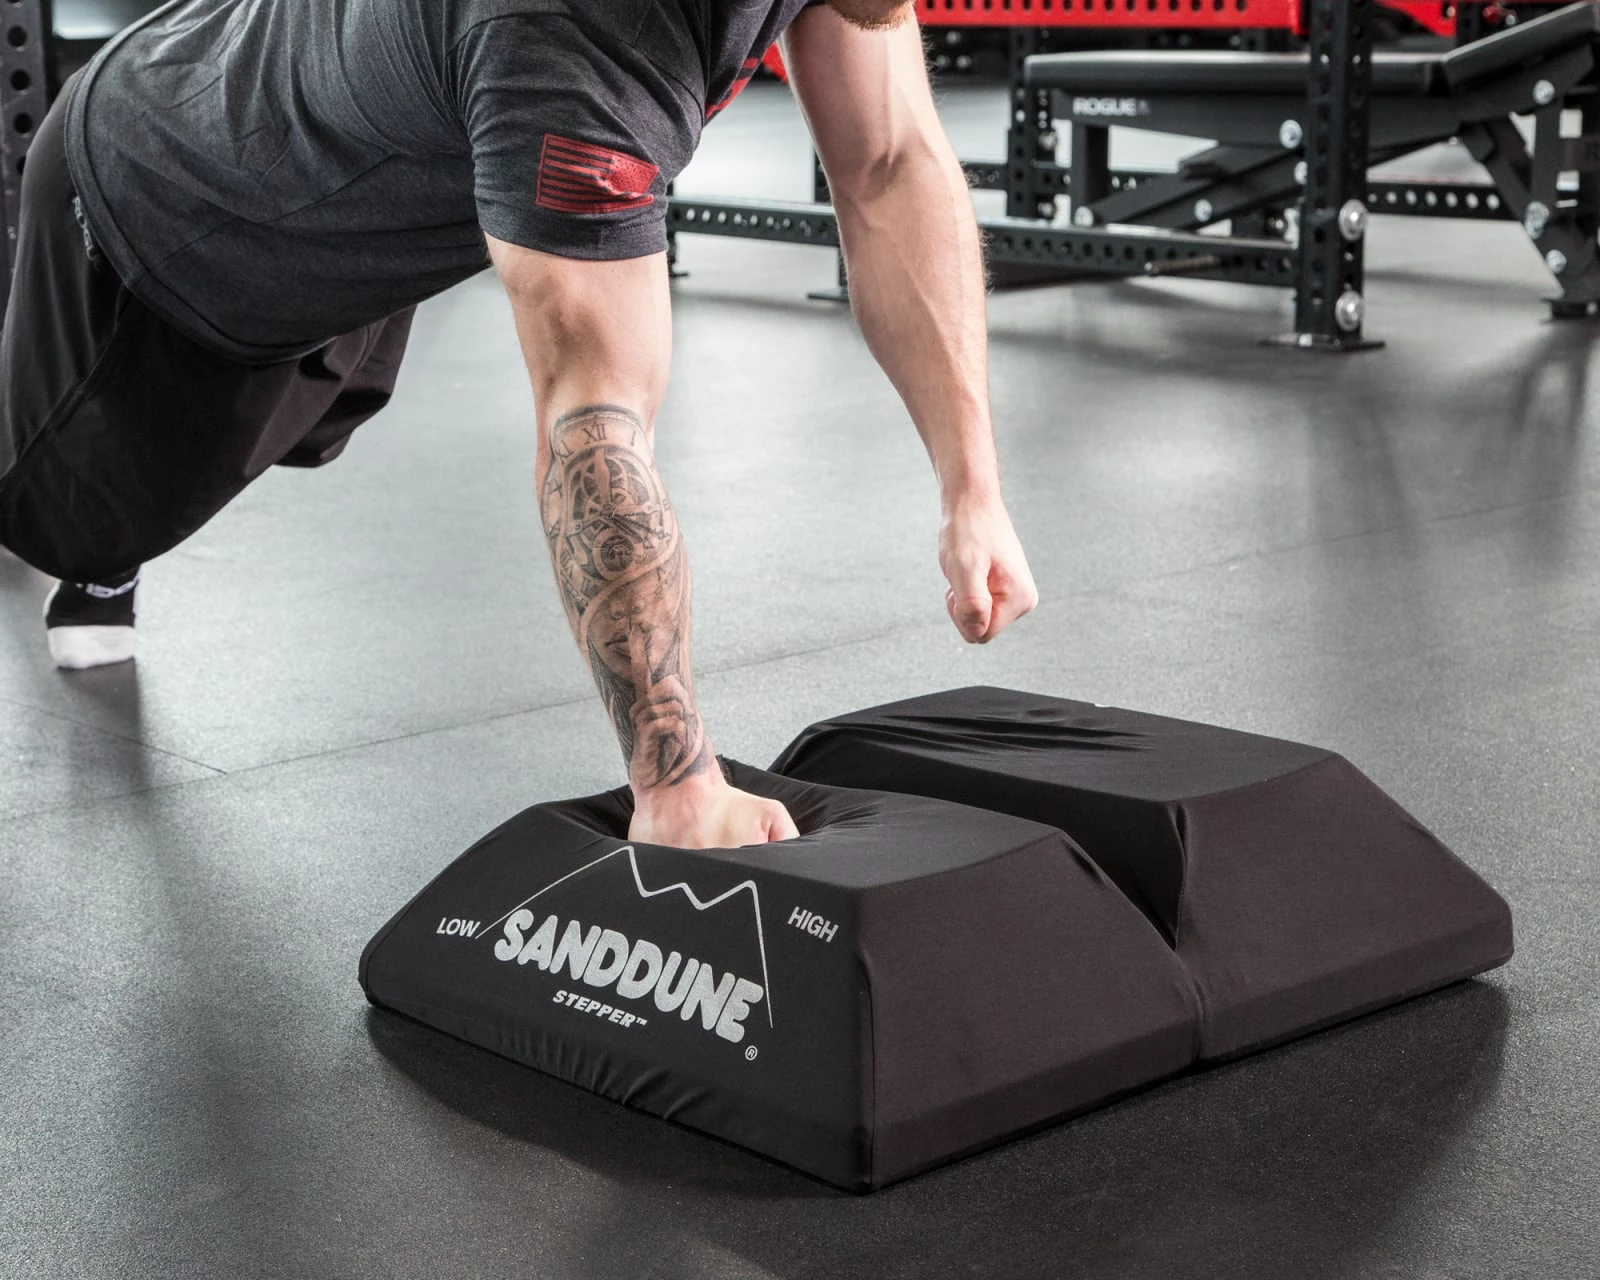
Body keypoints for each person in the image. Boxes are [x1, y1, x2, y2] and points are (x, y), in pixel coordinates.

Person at [0, 0, 1038, 849]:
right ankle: (102, 529)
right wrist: (676, 785)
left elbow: (890, 163)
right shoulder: (569, 38)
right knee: (71, 520)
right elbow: (594, 415)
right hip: (146, 211)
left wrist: (973, 488)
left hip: (339, 212)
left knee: (320, 410)